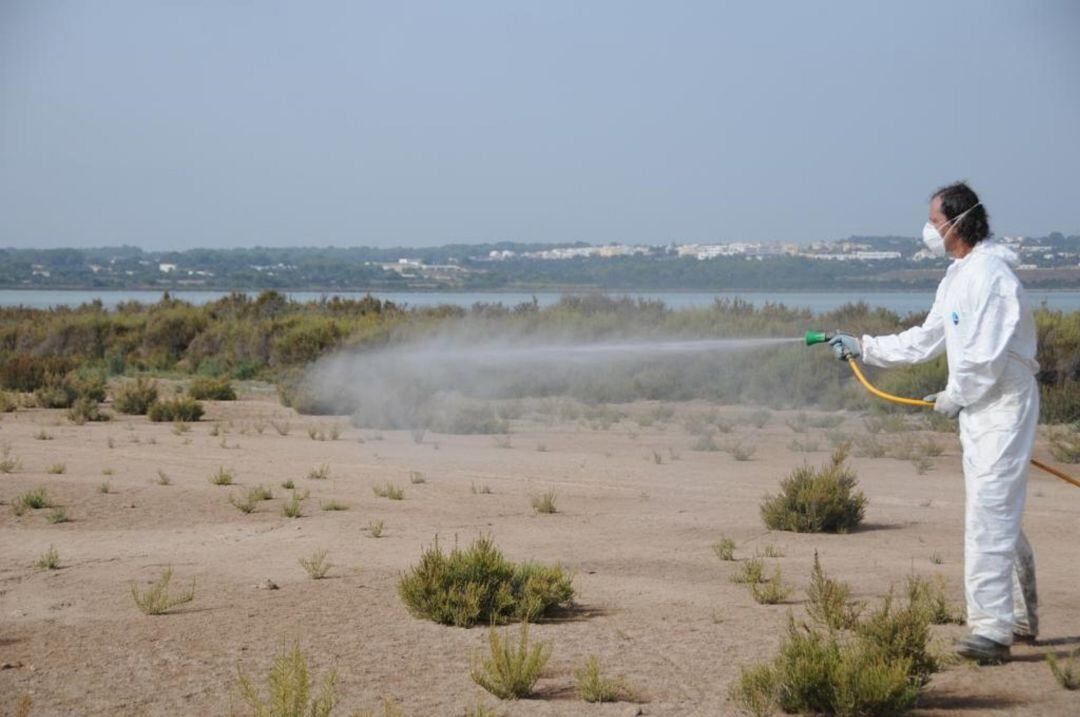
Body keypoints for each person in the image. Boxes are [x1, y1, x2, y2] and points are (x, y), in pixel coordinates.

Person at [828, 181, 1039, 664]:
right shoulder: (958, 276)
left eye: (935, 220)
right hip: (981, 408)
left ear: (958, 222)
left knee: (989, 511)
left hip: (1003, 405)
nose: (929, 229)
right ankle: (1023, 615)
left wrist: (954, 395)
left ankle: (991, 632)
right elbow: (926, 338)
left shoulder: (992, 276)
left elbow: (985, 358)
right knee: (996, 507)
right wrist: (866, 345)